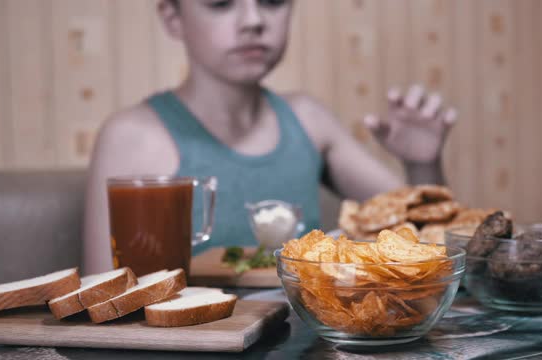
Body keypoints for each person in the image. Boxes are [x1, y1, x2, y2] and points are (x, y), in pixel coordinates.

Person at [83, 0, 457, 274]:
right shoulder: (131, 138)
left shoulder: (309, 119)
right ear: (173, 18)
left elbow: (426, 239)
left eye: (273, 2)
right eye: (220, 4)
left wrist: (422, 163)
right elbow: (107, 298)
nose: (253, 20)